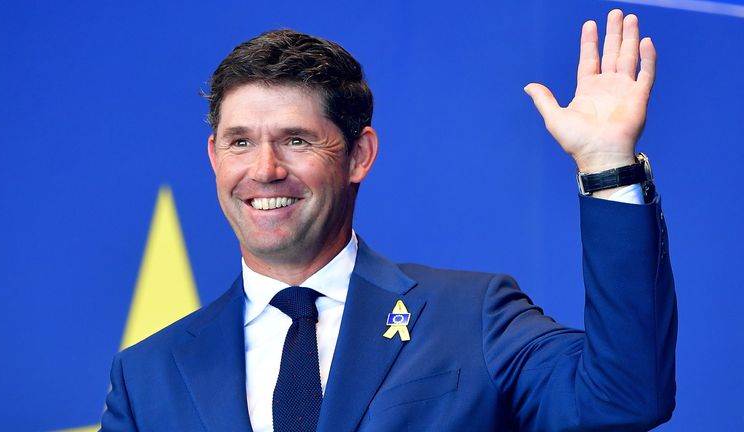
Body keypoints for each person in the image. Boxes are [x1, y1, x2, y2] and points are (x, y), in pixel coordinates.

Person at [101, 9, 676, 432]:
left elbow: (624, 396)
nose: (265, 169)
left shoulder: (471, 317)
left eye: (296, 140)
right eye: (240, 142)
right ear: (213, 157)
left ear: (359, 155)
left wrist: (607, 166)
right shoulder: (147, 374)